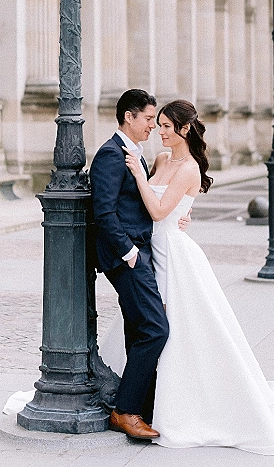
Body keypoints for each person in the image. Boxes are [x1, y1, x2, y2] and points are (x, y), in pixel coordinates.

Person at [119, 99, 274, 453]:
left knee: (179, 328)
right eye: (157, 125)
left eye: (166, 127)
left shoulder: (189, 168)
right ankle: (140, 396)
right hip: (151, 250)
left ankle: (176, 404)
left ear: (184, 130)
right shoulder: (160, 160)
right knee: (149, 322)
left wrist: (140, 178)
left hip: (174, 253)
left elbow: (159, 211)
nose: (159, 132)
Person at [90, 89, 173, 441]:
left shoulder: (134, 154)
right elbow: (104, 211)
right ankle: (125, 411)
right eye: (148, 119)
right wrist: (128, 252)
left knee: (138, 329)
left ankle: (141, 404)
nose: (152, 126)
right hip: (127, 257)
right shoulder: (111, 155)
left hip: (141, 251)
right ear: (129, 116)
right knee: (156, 329)